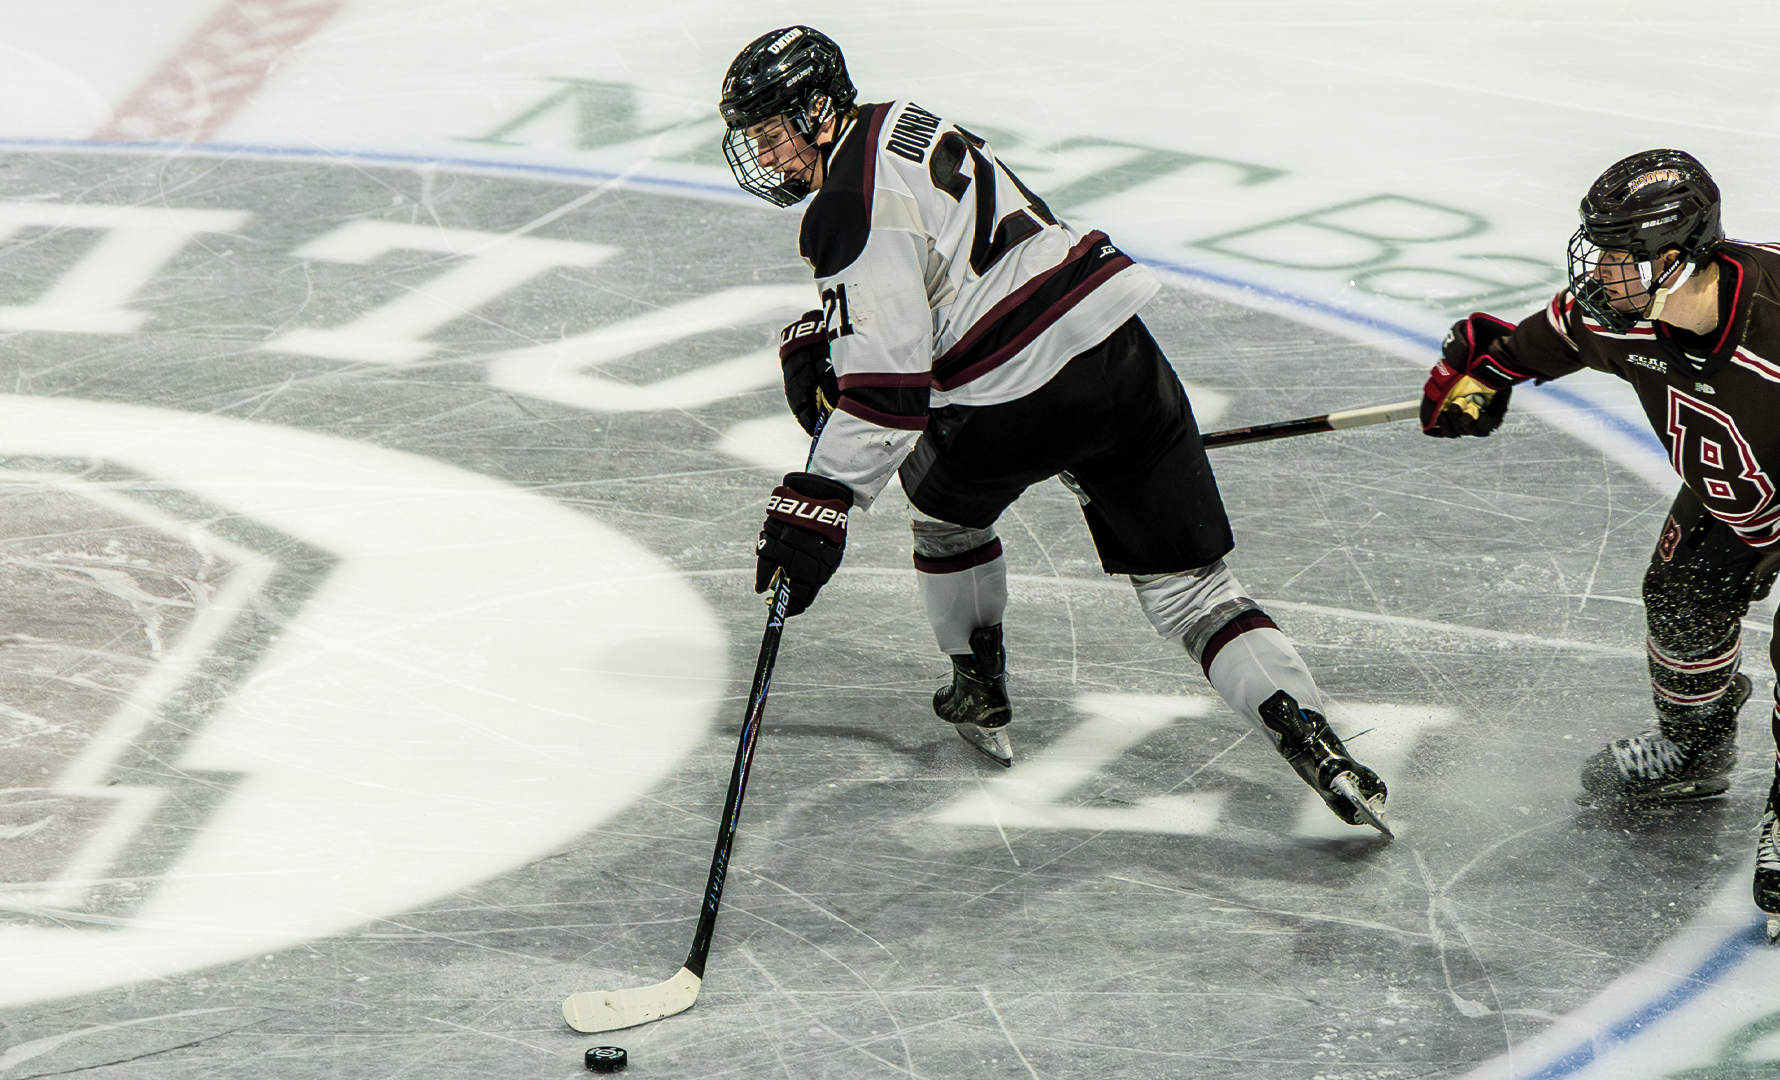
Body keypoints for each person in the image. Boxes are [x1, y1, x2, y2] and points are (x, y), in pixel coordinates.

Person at [718, 25, 1390, 836]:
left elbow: (892, 395)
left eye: (772, 133)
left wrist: (818, 498)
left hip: (1007, 405)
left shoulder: (842, 209)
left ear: (819, 109)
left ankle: (980, 685)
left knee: (944, 516)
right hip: (1121, 359)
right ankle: (1311, 735)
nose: (767, 156)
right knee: (1193, 588)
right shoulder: (905, 120)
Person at [1417, 148, 1780, 937]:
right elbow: (1523, 350)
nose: (1600, 271)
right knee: (1681, 599)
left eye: (1622, 255)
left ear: (1678, 259)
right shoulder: (1618, 319)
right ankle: (1696, 750)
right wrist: (1476, 382)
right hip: (1746, 488)